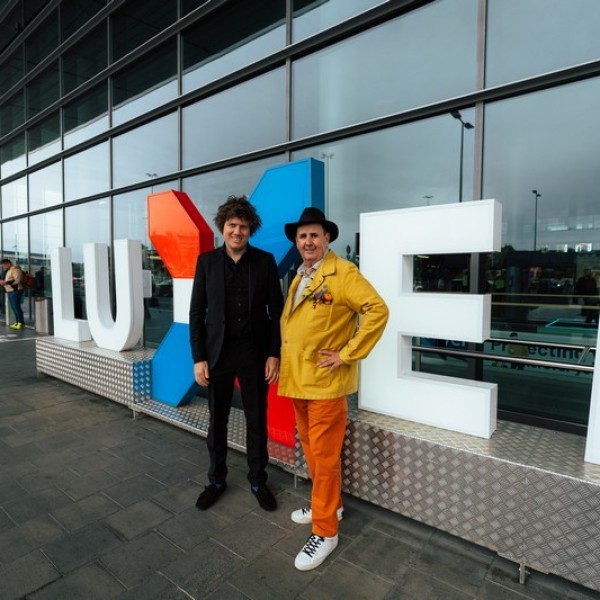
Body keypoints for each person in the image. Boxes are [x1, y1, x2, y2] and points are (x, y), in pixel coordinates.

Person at [279, 207, 389, 571]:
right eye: (302, 236)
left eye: (314, 235)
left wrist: (346, 354)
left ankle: (325, 531)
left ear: (327, 238)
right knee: (313, 453)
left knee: (325, 460)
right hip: (299, 381)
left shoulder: (343, 273)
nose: (308, 241)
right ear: (297, 242)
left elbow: (377, 311)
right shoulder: (301, 275)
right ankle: (330, 505)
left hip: (325, 386)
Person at [189, 195, 283, 512]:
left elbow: (276, 312)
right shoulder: (206, 262)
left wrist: (274, 353)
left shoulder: (265, 262)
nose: (237, 231)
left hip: (254, 353)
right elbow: (196, 313)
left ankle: (258, 480)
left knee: (257, 419)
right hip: (217, 354)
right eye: (232, 225)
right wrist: (199, 358)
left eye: (243, 226)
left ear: (249, 229)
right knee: (217, 420)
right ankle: (216, 481)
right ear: (223, 227)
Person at [0, 258, 25, 329]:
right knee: (14, 307)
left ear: (8, 263)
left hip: (16, 291)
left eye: (4, 265)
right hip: (10, 291)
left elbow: (17, 280)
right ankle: (17, 322)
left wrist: (5, 282)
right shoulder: (9, 270)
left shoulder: (16, 270)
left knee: (17, 307)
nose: (4, 267)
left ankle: (21, 323)